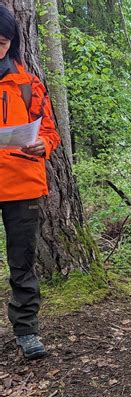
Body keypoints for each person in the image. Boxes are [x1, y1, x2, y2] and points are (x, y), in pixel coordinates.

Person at [0, 6, 60, 359]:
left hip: (23, 184)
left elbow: (49, 129)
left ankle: (26, 331)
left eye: (3, 42)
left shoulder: (29, 84)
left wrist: (44, 143)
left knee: (22, 262)